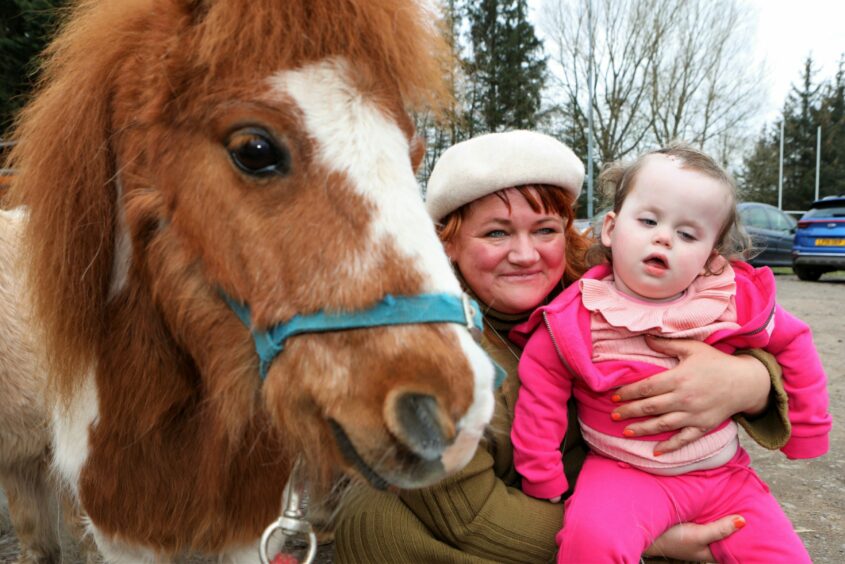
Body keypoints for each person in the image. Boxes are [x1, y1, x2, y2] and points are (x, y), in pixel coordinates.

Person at [333, 131, 792, 563]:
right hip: (535, 532)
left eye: (545, 230)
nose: (525, 254)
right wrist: (650, 540)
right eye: (496, 232)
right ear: (446, 240)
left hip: (635, 500)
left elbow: (749, 326)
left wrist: (748, 382)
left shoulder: (604, 286)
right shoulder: (418, 351)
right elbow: (470, 516)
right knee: (378, 521)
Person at [511, 143, 831, 563]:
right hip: (622, 475)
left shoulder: (729, 300)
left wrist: (809, 428)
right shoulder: (575, 317)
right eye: (648, 220)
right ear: (610, 228)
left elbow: (793, 340)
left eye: (687, 234)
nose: (664, 236)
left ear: (709, 256)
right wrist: (543, 479)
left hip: (725, 479)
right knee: (589, 541)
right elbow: (540, 394)